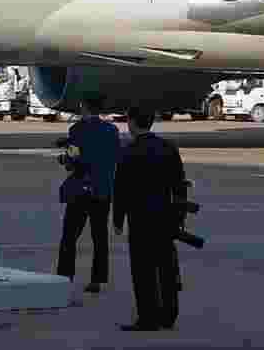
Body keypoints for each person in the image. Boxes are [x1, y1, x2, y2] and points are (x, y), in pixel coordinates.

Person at [111, 105, 192, 332]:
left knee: (143, 269)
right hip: (165, 213)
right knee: (166, 266)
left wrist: (118, 218)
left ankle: (148, 316)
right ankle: (169, 315)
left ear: (132, 122)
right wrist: (180, 215)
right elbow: (179, 185)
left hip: (140, 217)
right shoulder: (168, 148)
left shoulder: (129, 151)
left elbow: (121, 188)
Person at [54, 101, 120, 293]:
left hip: (81, 189)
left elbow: (73, 159)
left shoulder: (77, 130)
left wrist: (64, 159)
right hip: (102, 189)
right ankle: (97, 279)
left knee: (69, 236)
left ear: (84, 107)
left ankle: (65, 276)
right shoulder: (112, 130)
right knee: (99, 236)